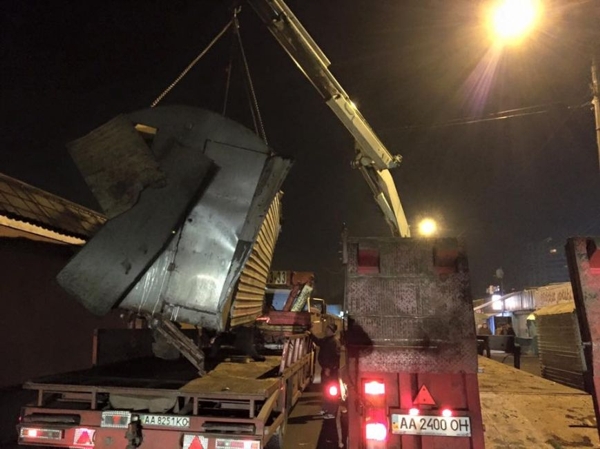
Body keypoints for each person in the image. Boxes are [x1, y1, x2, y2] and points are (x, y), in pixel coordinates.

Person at [309, 322, 341, 419]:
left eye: (328, 329)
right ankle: (326, 408)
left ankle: (331, 412)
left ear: (332, 331)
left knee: (332, 392)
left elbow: (336, 358)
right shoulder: (327, 340)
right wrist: (310, 333)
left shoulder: (334, 342)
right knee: (325, 390)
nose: (326, 331)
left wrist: (329, 368)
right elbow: (318, 342)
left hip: (331, 372)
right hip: (325, 370)